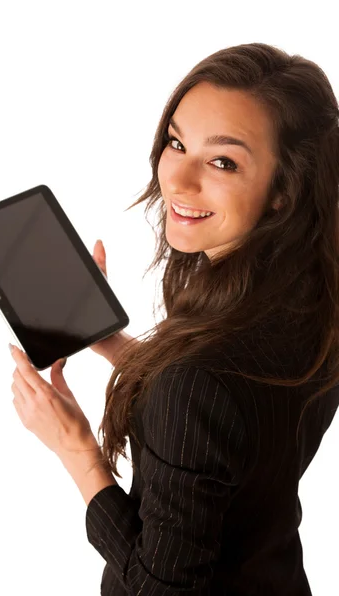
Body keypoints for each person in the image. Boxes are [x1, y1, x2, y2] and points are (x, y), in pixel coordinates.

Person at [87, 42, 339, 595]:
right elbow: (227, 432)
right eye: (177, 142)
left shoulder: (201, 377)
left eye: (222, 161)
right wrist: (117, 346)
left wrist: (76, 451)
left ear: (284, 189)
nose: (178, 180)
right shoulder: (310, 305)